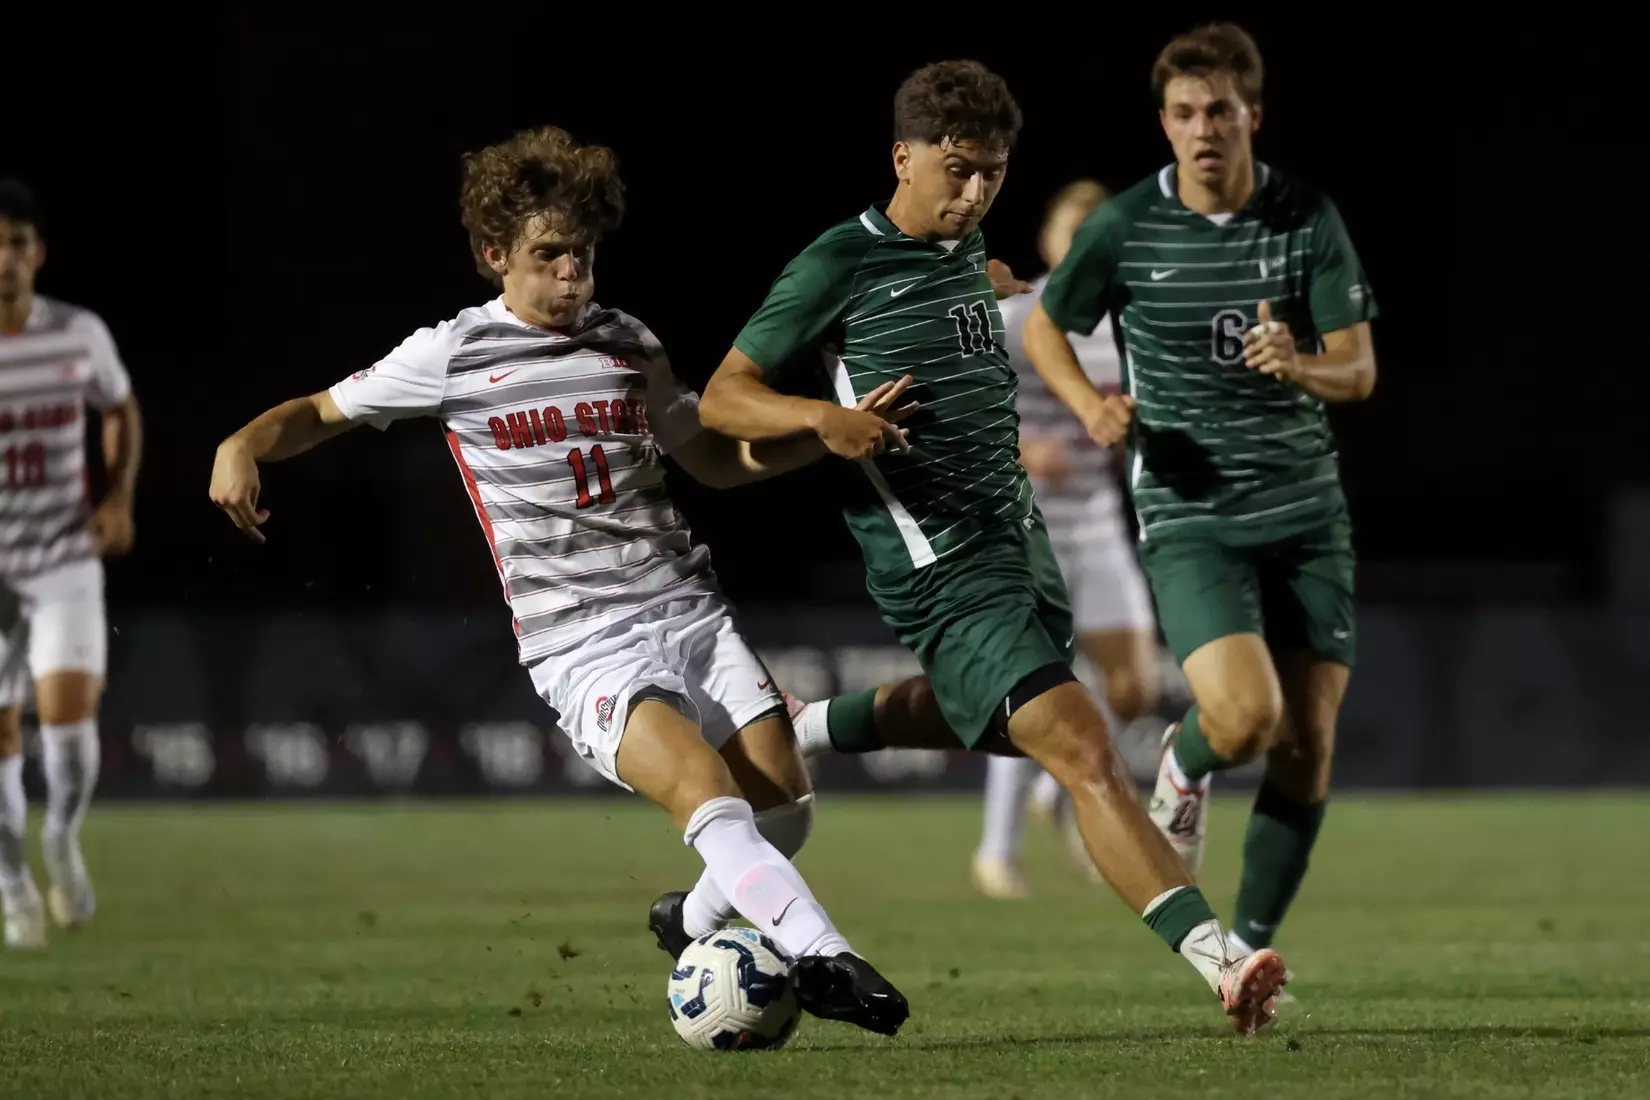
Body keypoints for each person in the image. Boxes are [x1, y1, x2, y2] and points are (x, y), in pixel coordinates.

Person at [206, 125, 911, 1037]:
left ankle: (687, 920)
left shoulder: (630, 344)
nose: (572, 273)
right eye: (549, 256)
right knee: (708, 792)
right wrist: (241, 444)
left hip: (687, 605)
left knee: (785, 806)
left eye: (582, 252)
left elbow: (710, 459)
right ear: (494, 255)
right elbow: (315, 413)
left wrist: (820, 433)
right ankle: (824, 957)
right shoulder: (453, 354)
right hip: (581, 637)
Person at [698, 60, 1288, 1035]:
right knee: (1086, 745)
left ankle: (804, 726)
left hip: (1025, 552)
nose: (975, 193)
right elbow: (724, 392)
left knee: (979, 714)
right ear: (904, 155)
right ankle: (1222, 963)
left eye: (994, 174)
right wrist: (824, 418)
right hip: (942, 571)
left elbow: (992, 295)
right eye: (958, 170)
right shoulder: (838, 262)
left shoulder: (970, 256)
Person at [1024, 23, 1379, 959]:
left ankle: (1253, 952)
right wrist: (1087, 408)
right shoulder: (1127, 224)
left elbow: (1360, 370)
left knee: (1307, 743)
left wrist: (1300, 364)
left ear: (1251, 115)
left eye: (1219, 110)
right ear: (1166, 124)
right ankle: (1182, 766)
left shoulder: (1307, 217)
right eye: (1183, 113)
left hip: (1306, 515)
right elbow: (1045, 331)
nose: (1202, 129)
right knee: (1246, 718)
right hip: (1192, 517)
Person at [971, 179, 1162, 901]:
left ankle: (1056, 794)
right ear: (1051, 242)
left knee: (1136, 687)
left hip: (1099, 524)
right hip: (1026, 525)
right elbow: (959, 404)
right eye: (1073, 234)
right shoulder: (1021, 314)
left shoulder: (1127, 324)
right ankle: (996, 851)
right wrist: (1022, 450)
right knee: (1036, 687)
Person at [0, 178, 142, 948]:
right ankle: (12, 882)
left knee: (66, 721)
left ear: (37, 253)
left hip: (61, 558)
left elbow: (119, 406)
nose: (4, 260)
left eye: (17, 244)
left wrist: (118, 495)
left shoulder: (75, 334)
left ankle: (58, 837)